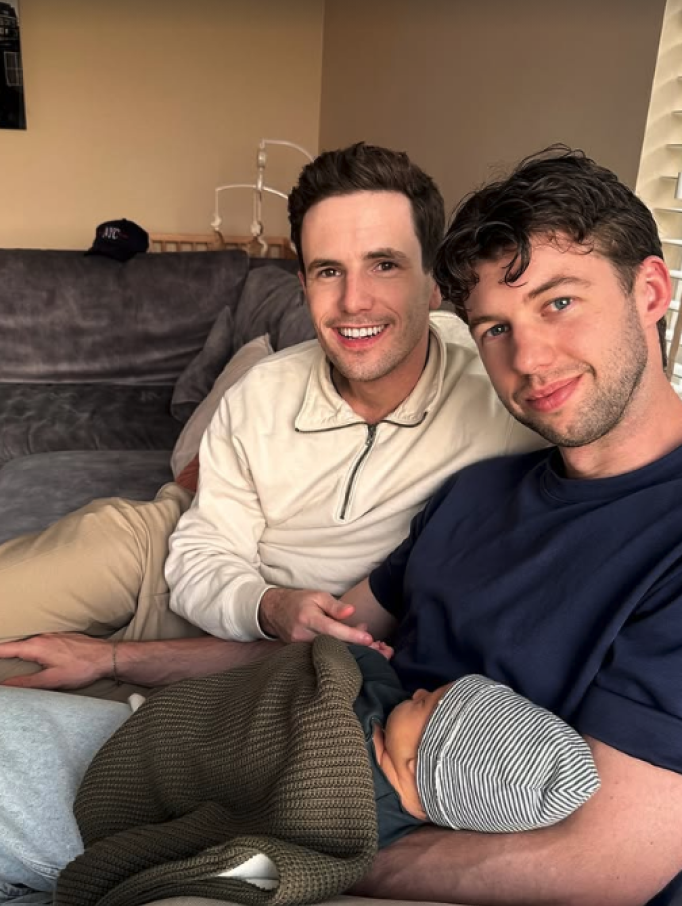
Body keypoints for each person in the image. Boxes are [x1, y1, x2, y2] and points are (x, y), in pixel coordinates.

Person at [0, 142, 537, 701]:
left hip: (272, 659)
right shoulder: (262, 392)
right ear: (304, 286)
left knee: (24, 697)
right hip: (159, 556)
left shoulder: (501, 393)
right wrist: (270, 605)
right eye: (329, 270)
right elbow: (204, 548)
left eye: (384, 264)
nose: (354, 301)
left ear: (433, 283)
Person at [336, 146, 682, 906]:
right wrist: (117, 659)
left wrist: (295, 851)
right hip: (325, 779)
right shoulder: (476, 492)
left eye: (559, 303)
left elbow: (598, 867)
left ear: (650, 291)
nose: (528, 358)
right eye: (495, 327)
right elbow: (326, 635)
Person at [1, 638, 598, 906]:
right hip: (172, 726)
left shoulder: (350, 811)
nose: (422, 690)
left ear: (427, 765)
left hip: (143, 788)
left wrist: (230, 868)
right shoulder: (384, 698)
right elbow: (328, 661)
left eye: (429, 705)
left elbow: (285, 857)